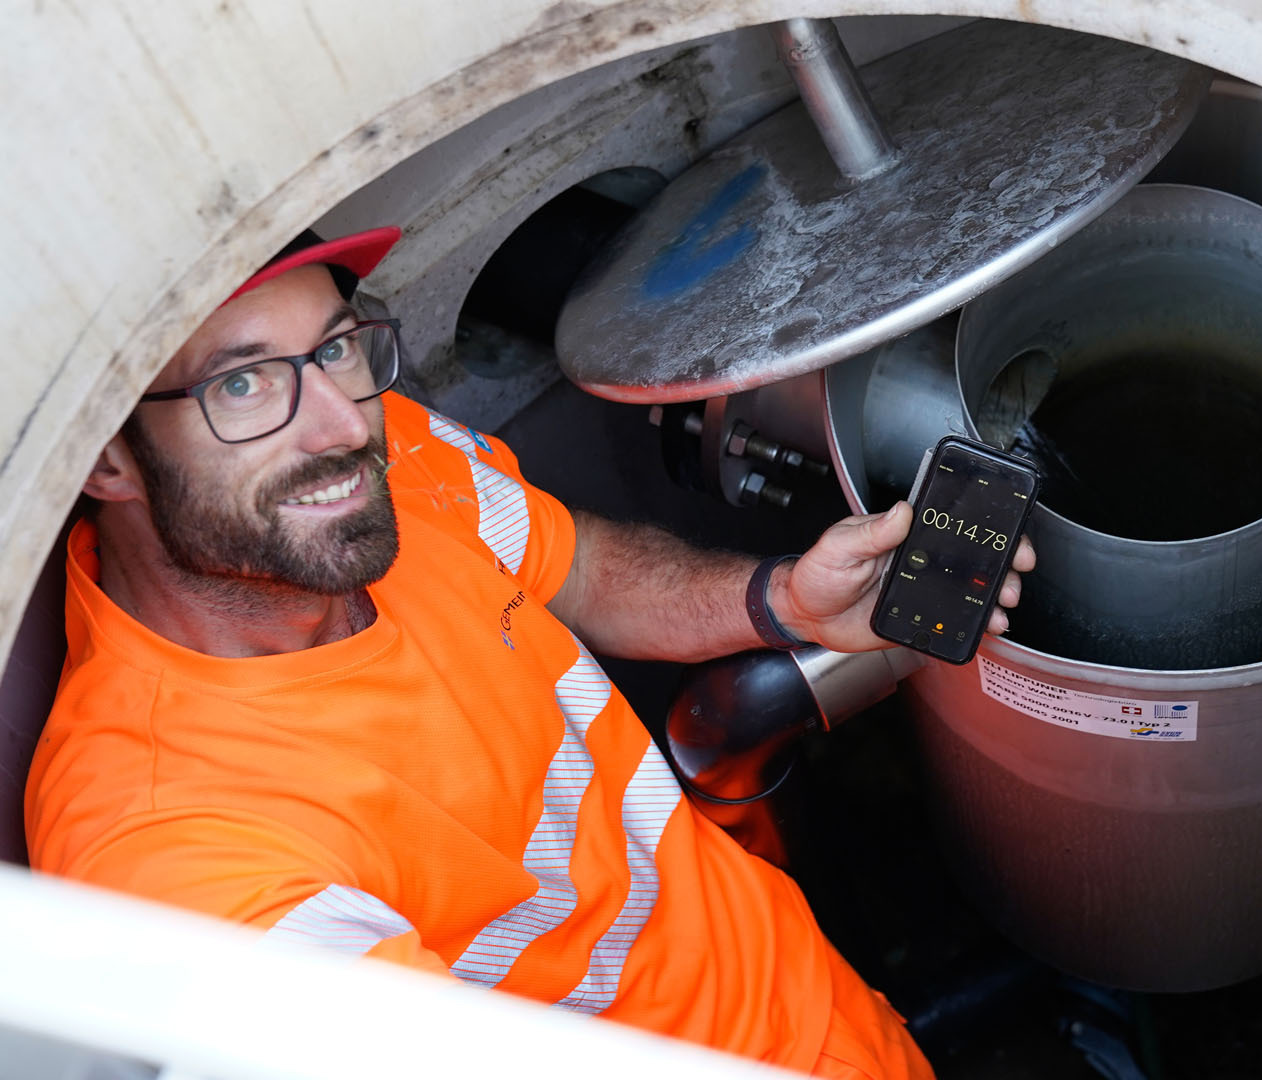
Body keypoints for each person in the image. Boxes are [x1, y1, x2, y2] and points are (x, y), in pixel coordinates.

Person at [25, 227, 1035, 1078]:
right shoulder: (173, 858)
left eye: (336, 349)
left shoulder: (381, 467)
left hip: (812, 1011)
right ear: (105, 455)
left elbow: (579, 568)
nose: (343, 428)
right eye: (242, 384)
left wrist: (782, 603)